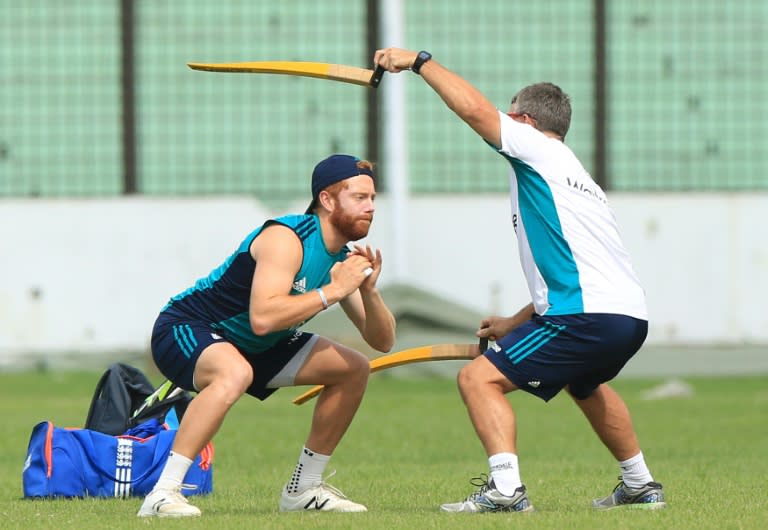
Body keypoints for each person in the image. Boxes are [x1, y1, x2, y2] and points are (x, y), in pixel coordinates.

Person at [373, 48, 666, 513]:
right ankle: (639, 484)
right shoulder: (577, 178)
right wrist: (515, 321)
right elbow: (578, 271)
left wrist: (418, 61)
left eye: (510, 117)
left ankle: (506, 491)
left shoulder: (536, 148)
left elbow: (472, 110)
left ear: (524, 119)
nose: (503, 122)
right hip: (627, 316)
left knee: (477, 380)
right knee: (585, 384)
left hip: (585, 316)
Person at [137, 154, 396, 517]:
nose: (370, 207)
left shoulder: (342, 257)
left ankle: (302, 490)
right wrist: (332, 293)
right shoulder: (286, 238)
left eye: (372, 198)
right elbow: (262, 317)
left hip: (255, 345)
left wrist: (368, 290)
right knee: (235, 374)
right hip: (187, 327)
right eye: (359, 198)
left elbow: (382, 341)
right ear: (327, 200)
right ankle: (162, 494)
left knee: (354, 368)